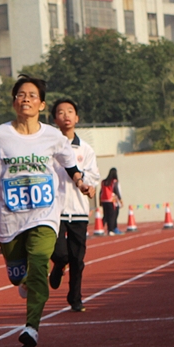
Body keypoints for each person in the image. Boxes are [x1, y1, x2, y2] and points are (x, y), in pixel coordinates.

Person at [0, 75, 91, 347]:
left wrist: (79, 182)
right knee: (18, 276)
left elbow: (69, 164)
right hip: (9, 218)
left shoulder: (52, 136)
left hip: (44, 215)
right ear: (13, 102)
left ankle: (31, 327)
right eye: (20, 94)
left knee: (39, 264)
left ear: (41, 104)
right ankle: (24, 279)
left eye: (32, 95)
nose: (26, 98)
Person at [48, 99, 100, 312]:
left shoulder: (86, 149)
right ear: (55, 119)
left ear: (77, 118)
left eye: (70, 111)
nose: (66, 115)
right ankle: (59, 266)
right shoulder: (50, 147)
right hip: (56, 210)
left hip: (78, 210)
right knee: (60, 253)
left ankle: (75, 298)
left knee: (77, 259)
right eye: (61, 112)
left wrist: (84, 180)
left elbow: (94, 175)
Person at [100, 168, 122, 235]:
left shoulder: (103, 181)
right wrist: (120, 200)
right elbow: (116, 191)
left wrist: (100, 201)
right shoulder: (114, 181)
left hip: (104, 200)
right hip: (111, 200)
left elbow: (101, 192)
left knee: (105, 215)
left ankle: (100, 228)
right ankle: (110, 230)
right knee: (112, 216)